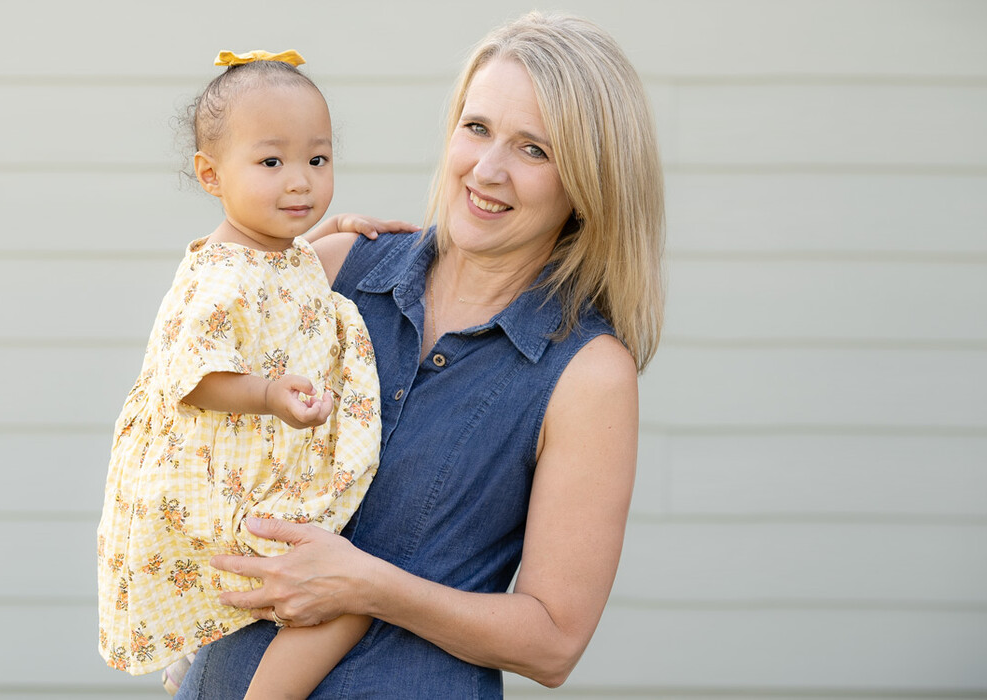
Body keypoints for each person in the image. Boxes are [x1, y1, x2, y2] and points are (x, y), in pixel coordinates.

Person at [173, 11, 665, 698]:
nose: (488, 170)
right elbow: (191, 401)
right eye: (478, 128)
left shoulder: (587, 374)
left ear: (587, 181)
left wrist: (369, 586)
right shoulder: (338, 267)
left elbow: (553, 643)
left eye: (534, 150)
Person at [95, 49, 419, 698]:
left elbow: (288, 269)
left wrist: (334, 231)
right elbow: (191, 377)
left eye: (317, 160)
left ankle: (204, 636)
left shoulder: (276, 248)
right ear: (211, 176)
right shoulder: (218, 279)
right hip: (207, 475)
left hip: (249, 465)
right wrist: (268, 394)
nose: (299, 181)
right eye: (272, 163)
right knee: (325, 590)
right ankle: (228, 665)